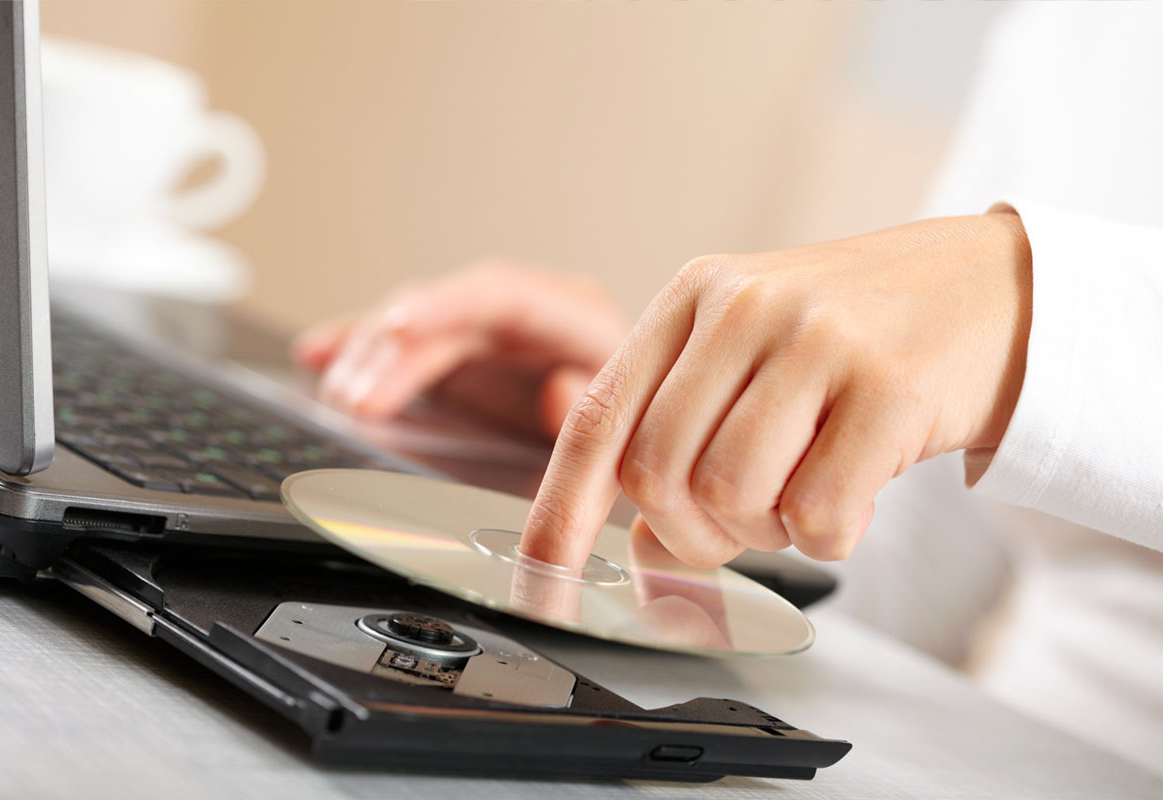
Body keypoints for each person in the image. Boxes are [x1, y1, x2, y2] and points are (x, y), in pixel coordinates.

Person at [292, 3, 1163, 775]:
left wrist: (1050, 317)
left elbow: (1031, 343)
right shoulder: (1070, 25)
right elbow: (902, 580)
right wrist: (687, 439)